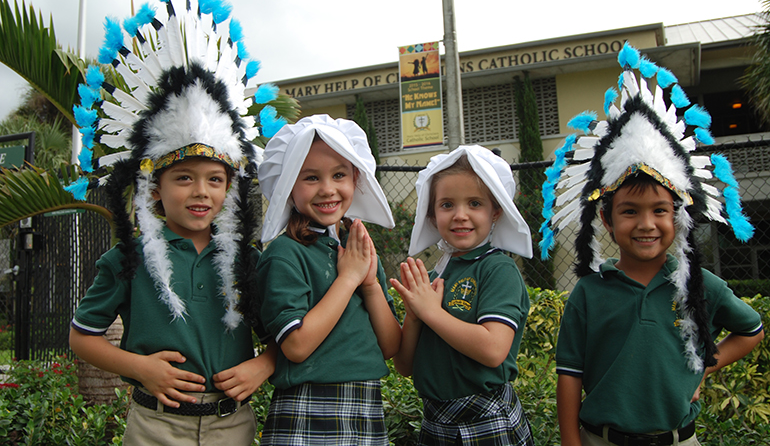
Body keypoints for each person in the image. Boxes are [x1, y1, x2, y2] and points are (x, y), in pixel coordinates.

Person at [68, 0, 283, 445]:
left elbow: (286, 335)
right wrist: (141, 368)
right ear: (154, 190)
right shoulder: (129, 258)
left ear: (230, 188)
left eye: (215, 180)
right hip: (153, 427)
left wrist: (262, 367)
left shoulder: (253, 260)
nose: (200, 192)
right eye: (183, 178)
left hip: (235, 425)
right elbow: (82, 337)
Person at [540, 43, 765, 446]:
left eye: (660, 210)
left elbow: (751, 330)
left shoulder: (704, 287)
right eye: (630, 211)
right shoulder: (589, 293)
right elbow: (569, 375)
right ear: (606, 219)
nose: (647, 224)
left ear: (679, 216)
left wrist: (703, 366)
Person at [244, 114, 401, 445]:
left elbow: (390, 346)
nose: (328, 189)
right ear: (288, 186)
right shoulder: (285, 254)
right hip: (308, 409)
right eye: (311, 178)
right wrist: (348, 279)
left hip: (365, 407)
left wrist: (369, 283)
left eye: (339, 175)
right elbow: (297, 346)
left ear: (355, 179)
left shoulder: (356, 248)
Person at [391, 145, 535, 446]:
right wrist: (415, 314)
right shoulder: (434, 278)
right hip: (435, 420)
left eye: (474, 203)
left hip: (486, 420)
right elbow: (404, 366)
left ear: (495, 212)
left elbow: (494, 349)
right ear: (431, 215)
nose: (460, 215)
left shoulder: (497, 269)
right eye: (446, 205)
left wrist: (432, 312)